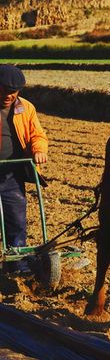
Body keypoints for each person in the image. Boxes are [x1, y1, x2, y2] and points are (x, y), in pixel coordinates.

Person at [0, 64, 48, 273]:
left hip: (12, 173)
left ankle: (16, 265)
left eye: (14, 91)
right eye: (5, 90)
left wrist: (38, 150)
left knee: (16, 219)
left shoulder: (25, 108)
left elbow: (37, 134)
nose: (9, 95)